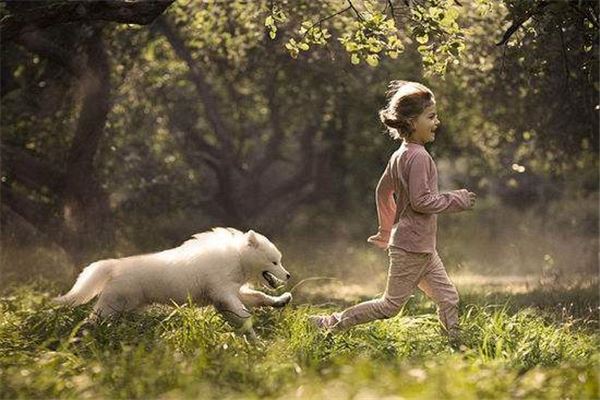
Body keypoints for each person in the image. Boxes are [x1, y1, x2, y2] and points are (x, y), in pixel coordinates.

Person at [308, 80, 477, 345]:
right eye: (431, 116)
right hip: (412, 247)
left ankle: (457, 345)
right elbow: (422, 202)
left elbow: (382, 191)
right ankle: (327, 324)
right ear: (411, 121)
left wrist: (386, 230)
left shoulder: (399, 155)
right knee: (389, 306)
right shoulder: (419, 156)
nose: (437, 122)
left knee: (448, 298)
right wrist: (457, 200)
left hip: (420, 246)